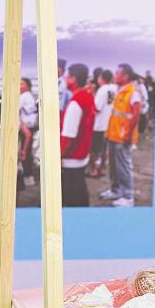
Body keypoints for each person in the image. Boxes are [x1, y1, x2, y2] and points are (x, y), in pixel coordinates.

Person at [102, 63, 143, 207]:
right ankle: (115, 190)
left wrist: (128, 135)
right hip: (113, 134)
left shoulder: (133, 92)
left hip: (123, 136)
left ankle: (128, 196)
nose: (115, 75)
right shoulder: (120, 90)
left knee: (123, 166)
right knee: (113, 165)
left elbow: (136, 115)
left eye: (117, 73)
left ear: (125, 76)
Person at [59, 63, 95, 206]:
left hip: (72, 157)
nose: (65, 79)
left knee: (72, 196)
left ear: (74, 79)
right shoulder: (87, 96)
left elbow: (69, 136)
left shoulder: (75, 103)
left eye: (67, 76)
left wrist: (59, 156)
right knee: (79, 191)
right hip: (82, 152)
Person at [90, 69, 116, 179]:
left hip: (98, 124)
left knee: (94, 149)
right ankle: (102, 168)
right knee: (104, 148)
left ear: (101, 78)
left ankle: (93, 170)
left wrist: (91, 95)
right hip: (108, 122)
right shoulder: (113, 88)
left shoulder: (102, 90)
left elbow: (96, 108)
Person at [18, 78, 39, 182]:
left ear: (28, 86)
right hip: (30, 127)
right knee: (28, 151)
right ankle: (28, 175)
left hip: (25, 128)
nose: (19, 86)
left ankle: (27, 175)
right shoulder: (30, 96)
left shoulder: (23, 97)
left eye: (22, 84)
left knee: (24, 151)